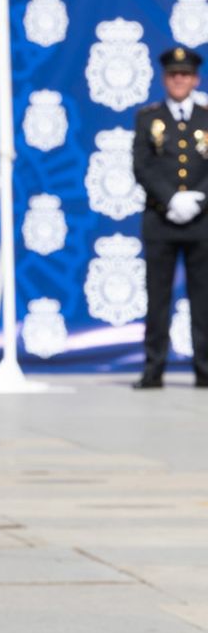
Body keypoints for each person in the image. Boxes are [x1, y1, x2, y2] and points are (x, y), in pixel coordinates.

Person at [131, 45, 208, 389]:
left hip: (202, 222)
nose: (179, 80)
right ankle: (153, 370)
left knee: (204, 300)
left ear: (195, 79)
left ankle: (205, 369)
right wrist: (172, 198)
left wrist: (198, 199)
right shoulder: (148, 117)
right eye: (174, 74)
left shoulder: (206, 117)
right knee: (158, 299)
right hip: (161, 220)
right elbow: (142, 165)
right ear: (165, 79)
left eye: (185, 74)